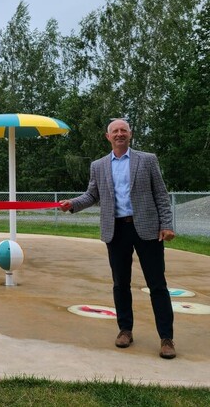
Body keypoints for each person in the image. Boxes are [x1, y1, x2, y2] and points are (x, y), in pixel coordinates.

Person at [59, 118, 176, 359]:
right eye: (115, 131)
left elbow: (161, 195)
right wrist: (72, 204)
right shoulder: (99, 165)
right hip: (116, 231)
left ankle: (166, 338)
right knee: (120, 284)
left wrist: (166, 224)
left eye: (124, 130)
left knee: (157, 285)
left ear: (130, 134)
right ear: (108, 136)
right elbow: (92, 194)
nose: (120, 134)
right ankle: (125, 330)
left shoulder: (147, 160)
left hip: (147, 230)